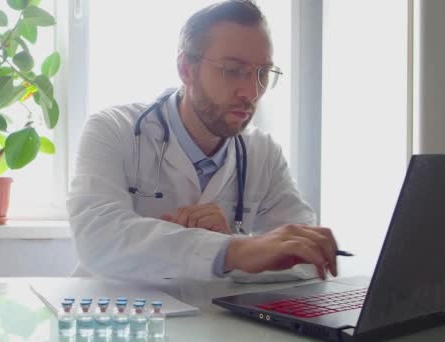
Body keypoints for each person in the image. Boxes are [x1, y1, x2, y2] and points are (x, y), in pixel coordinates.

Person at [67, 0, 338, 283]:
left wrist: (230, 247)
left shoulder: (264, 153)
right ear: (186, 69)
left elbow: (307, 259)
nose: (251, 92)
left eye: (263, 73)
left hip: (213, 323)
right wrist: (232, 251)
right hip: (116, 318)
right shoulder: (113, 130)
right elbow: (98, 238)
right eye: (233, 70)